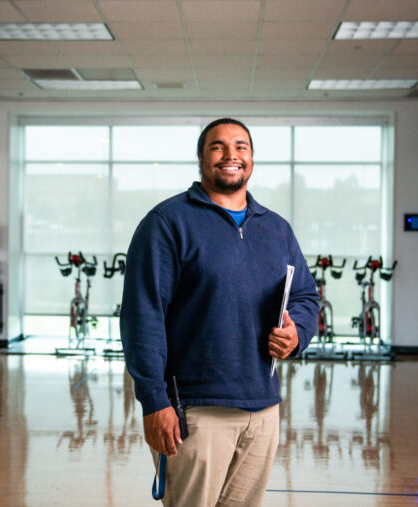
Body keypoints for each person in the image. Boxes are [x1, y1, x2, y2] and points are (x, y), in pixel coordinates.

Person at [120, 118, 319, 506]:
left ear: (252, 159)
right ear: (200, 158)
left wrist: (297, 336)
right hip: (195, 410)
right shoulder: (167, 223)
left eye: (241, 146)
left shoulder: (276, 229)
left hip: (262, 408)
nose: (231, 155)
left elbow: (306, 297)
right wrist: (154, 401)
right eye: (218, 146)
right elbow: (142, 316)